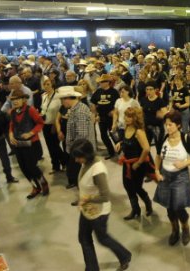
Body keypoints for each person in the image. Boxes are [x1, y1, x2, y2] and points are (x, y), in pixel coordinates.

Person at [72, 139, 132, 271]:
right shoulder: (86, 162)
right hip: (88, 209)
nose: (76, 160)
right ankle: (92, 268)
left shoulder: (97, 170)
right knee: (84, 238)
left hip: (99, 213)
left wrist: (86, 198)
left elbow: (105, 196)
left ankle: (125, 255)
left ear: (86, 155)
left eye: (78, 157)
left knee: (102, 238)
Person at [154, 110, 190, 246]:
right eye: (166, 125)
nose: (167, 127)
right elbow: (158, 156)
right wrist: (156, 170)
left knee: (179, 206)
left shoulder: (186, 138)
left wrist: (184, 163)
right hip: (165, 176)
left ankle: (185, 228)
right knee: (169, 206)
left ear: (179, 125)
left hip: (180, 176)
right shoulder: (163, 138)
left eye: (171, 125)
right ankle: (174, 229)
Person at [8, 89, 48, 199]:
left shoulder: (31, 110)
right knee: (23, 168)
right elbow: (12, 125)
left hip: (32, 144)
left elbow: (40, 123)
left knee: (32, 167)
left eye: (17, 99)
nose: (15, 102)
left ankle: (43, 184)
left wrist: (31, 132)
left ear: (23, 99)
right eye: (13, 100)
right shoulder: (12, 112)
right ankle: (35, 187)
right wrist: (10, 135)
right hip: (18, 144)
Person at [115, 107, 153, 220]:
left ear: (135, 118)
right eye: (126, 115)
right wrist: (120, 143)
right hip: (127, 163)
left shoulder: (139, 132)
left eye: (130, 116)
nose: (126, 118)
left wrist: (139, 162)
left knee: (137, 188)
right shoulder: (127, 128)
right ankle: (135, 210)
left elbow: (146, 149)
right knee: (128, 186)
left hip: (137, 166)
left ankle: (148, 204)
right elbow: (127, 141)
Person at [60, 86, 96, 196]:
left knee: (82, 176)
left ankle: (84, 197)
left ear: (67, 99)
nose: (62, 103)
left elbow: (82, 135)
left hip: (81, 151)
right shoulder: (77, 108)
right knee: (77, 173)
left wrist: (74, 150)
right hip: (79, 149)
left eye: (62, 100)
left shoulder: (79, 111)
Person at [91, 74, 119, 159]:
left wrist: (114, 112)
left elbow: (117, 104)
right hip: (101, 117)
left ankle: (120, 149)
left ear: (108, 82)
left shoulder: (114, 92)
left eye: (103, 82)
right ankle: (111, 151)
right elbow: (93, 104)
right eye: (100, 82)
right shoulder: (98, 92)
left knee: (114, 135)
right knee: (103, 135)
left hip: (111, 117)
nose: (101, 83)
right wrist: (95, 115)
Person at [40, 78, 65, 173]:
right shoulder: (44, 96)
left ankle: (64, 162)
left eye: (48, 84)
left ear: (52, 85)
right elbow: (43, 109)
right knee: (50, 147)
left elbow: (60, 111)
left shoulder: (58, 97)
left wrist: (56, 124)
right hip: (45, 124)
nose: (46, 86)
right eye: (44, 84)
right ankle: (55, 166)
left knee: (55, 146)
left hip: (55, 124)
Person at [140, 82, 168, 155]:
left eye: (151, 89)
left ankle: (159, 165)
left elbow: (166, 115)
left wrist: (162, 115)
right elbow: (141, 112)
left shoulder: (160, 101)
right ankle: (149, 164)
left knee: (159, 149)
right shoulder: (143, 100)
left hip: (157, 128)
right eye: (147, 89)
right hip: (146, 127)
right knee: (146, 147)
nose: (148, 91)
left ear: (155, 90)